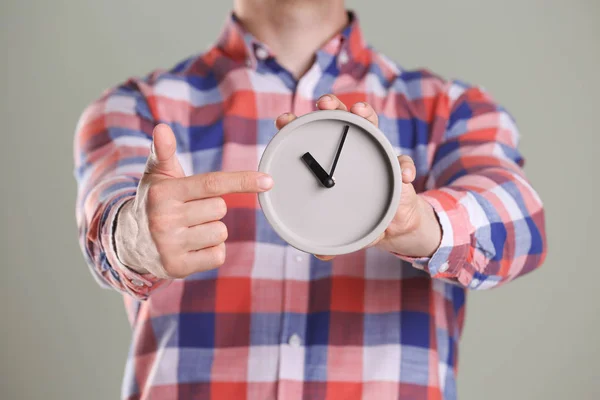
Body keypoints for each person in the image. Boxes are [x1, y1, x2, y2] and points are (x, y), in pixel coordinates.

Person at [74, 1, 547, 399]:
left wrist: (415, 221)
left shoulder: (449, 109)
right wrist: (135, 236)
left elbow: (521, 227)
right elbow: (107, 229)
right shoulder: (138, 108)